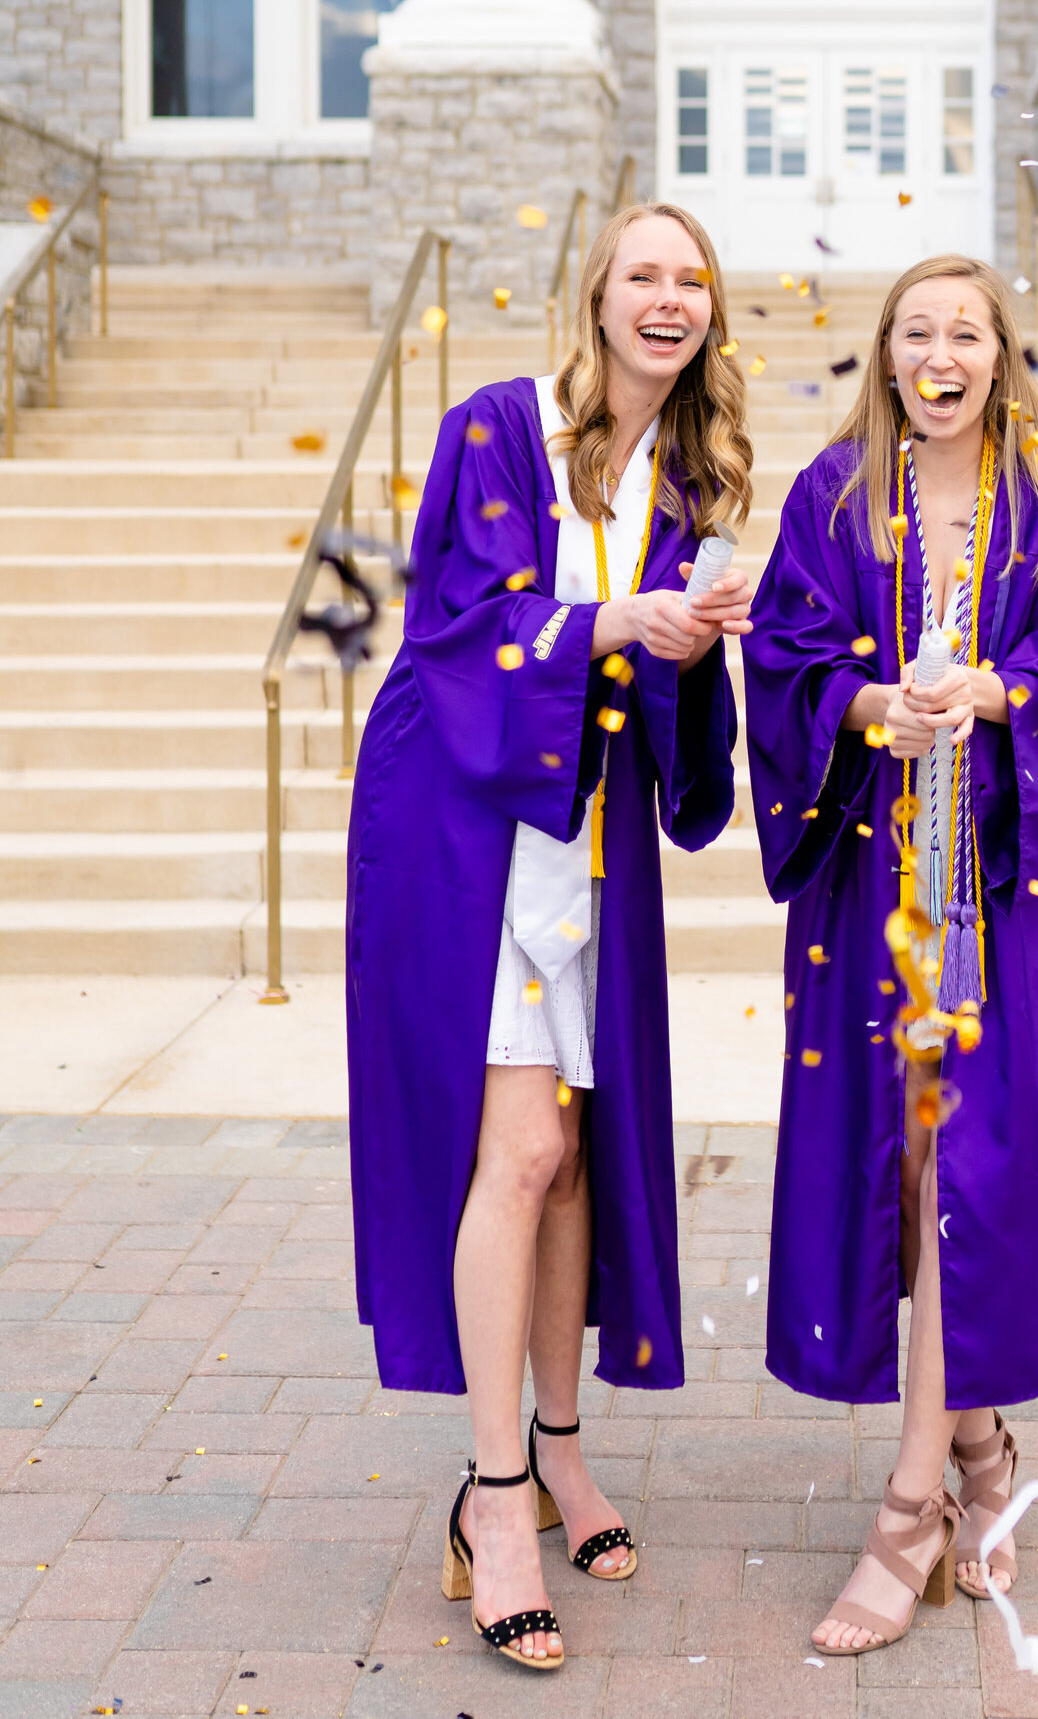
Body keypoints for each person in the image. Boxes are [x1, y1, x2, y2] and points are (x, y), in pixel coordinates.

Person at [346, 203, 754, 1672]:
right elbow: (459, 631)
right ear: (593, 294)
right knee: (516, 1152)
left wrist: (699, 641)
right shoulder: (495, 425)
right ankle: (496, 1494)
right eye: (642, 273)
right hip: (464, 830)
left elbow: (675, 726)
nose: (667, 297)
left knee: (572, 1157)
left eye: (691, 279)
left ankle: (562, 1450)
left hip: (585, 846)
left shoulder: (691, 483)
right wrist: (619, 624)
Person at [743, 255, 1038, 1657]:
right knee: (915, 1157)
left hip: (1012, 902)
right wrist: (864, 707)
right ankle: (977, 1452)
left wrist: (1002, 691)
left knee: (963, 1155)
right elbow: (786, 666)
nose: (939, 348)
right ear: (886, 353)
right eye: (915, 328)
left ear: (1000, 355)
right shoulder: (831, 498)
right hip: (874, 890)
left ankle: (909, 1507)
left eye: (964, 329)